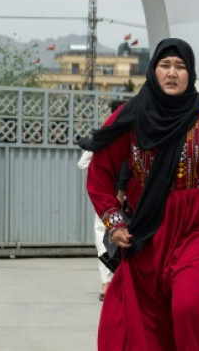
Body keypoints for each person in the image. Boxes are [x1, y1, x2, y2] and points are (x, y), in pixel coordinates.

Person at [81, 38, 199, 351]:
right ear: (153, 70)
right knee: (147, 319)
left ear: (190, 73)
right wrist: (115, 220)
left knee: (190, 305)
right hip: (150, 231)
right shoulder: (131, 117)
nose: (172, 73)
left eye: (180, 66)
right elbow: (100, 173)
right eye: (165, 65)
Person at [78, 100, 125, 300]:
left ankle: (106, 282)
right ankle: (121, 283)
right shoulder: (136, 136)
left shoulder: (104, 138)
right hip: (130, 198)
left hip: (106, 199)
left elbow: (82, 163)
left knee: (103, 238)